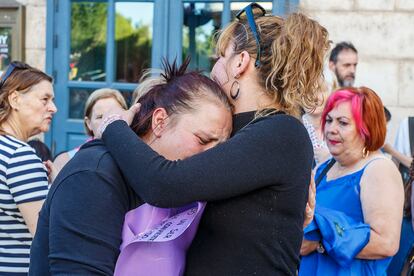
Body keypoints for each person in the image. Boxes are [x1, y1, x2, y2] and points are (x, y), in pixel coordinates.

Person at [98, 4, 329, 275]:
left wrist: (113, 125)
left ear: (240, 62)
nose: (215, 66)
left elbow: (164, 184)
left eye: (221, 56)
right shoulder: (250, 133)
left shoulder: (280, 132)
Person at [28, 58, 233, 275]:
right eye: (202, 140)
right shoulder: (94, 174)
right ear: (160, 121)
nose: (213, 157)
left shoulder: (183, 186)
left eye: (220, 147)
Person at [299, 87, 404, 275]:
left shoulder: (379, 169)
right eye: (329, 120)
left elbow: (386, 243)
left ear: (367, 128)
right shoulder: (324, 167)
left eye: (343, 123)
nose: (331, 129)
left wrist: (320, 241)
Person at [0, 61, 57, 275]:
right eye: (45, 99)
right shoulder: (19, 155)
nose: (53, 108)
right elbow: (46, 236)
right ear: (15, 99)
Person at [52, 88, 127, 175]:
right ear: (89, 123)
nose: (106, 121)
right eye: (100, 117)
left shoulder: (134, 158)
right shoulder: (66, 161)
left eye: (113, 116)